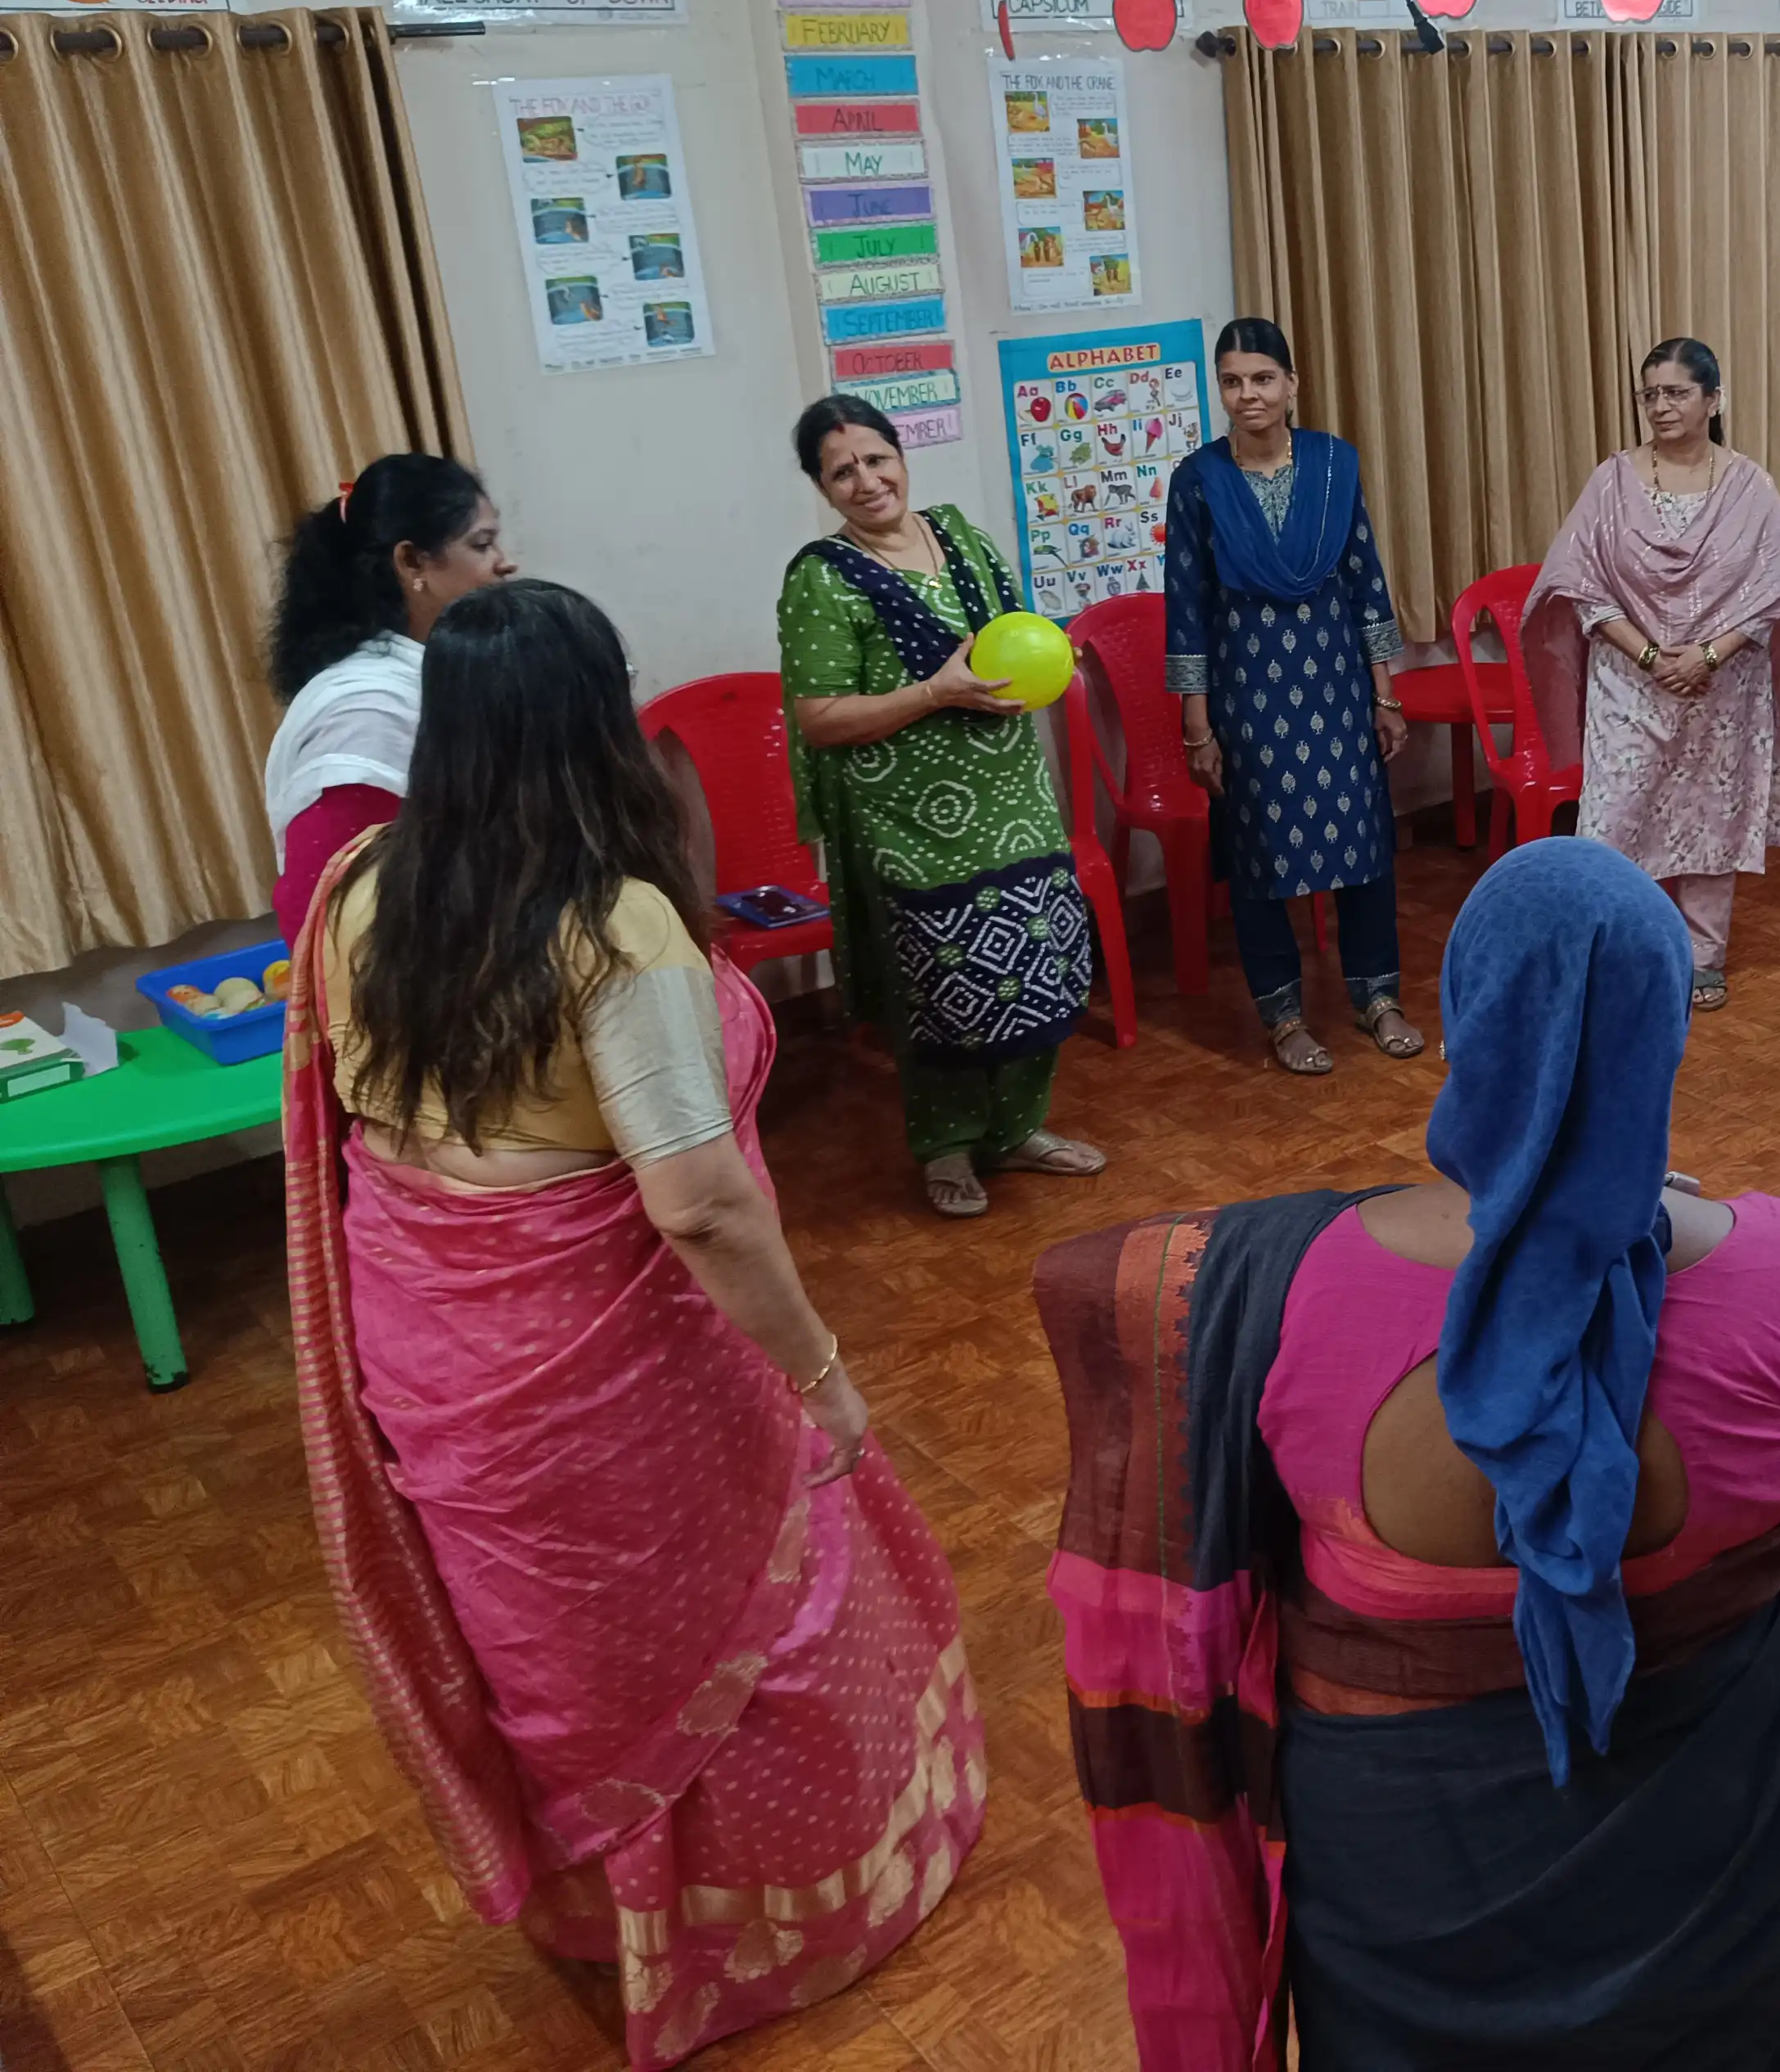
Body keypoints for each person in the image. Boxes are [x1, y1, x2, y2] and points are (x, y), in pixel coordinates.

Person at [285, 581, 987, 2072]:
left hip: (435, 1347)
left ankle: (603, 1915)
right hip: (608, 1373)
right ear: (598, 723)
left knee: (559, 1649)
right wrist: (821, 1375)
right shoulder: (614, 929)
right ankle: (772, 1920)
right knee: (737, 1614)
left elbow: (359, 1111)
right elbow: (701, 1206)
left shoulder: (361, 881)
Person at [1036, 837, 1780, 2067]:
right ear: (1668, 1045)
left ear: (1460, 1033)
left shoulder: (1293, 1299)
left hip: (1403, 1883)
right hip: (1710, 1861)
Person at [779, 394, 1104, 1218]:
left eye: (875, 459)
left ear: (900, 456)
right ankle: (946, 1147)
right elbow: (819, 719)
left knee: (1037, 958)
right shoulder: (821, 580)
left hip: (1012, 794)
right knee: (942, 978)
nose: (865, 481)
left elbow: (1014, 639)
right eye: (841, 471)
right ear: (822, 489)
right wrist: (933, 693)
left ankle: (1019, 1130)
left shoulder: (960, 534)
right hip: (909, 822)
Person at [1522, 337, 1780, 1011]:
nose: (1661, 407)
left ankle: (1704, 956)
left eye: (1676, 393)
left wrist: (1708, 654)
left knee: (1711, 824)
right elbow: (1579, 586)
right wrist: (1647, 653)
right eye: (1650, 395)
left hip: (1723, 686)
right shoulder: (1611, 481)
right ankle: (1609, 952)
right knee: (1611, 823)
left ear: (1713, 399)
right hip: (1628, 684)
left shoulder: (1748, 486)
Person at [1165, 318, 1423, 1075]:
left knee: (1365, 844)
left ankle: (1378, 997)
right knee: (1259, 854)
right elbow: (1187, 605)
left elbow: (1366, 580)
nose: (1249, 395)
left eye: (1263, 379)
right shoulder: (1199, 480)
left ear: (1292, 384)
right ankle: (1281, 1016)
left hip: (1336, 680)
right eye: (1234, 382)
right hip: (1248, 687)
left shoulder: (1335, 464)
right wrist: (1196, 725)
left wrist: (1386, 693)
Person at [261, 453, 513, 944]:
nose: (505, 562)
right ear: (411, 561)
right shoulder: (367, 713)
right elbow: (339, 913)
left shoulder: (441, 670)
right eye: (482, 544)